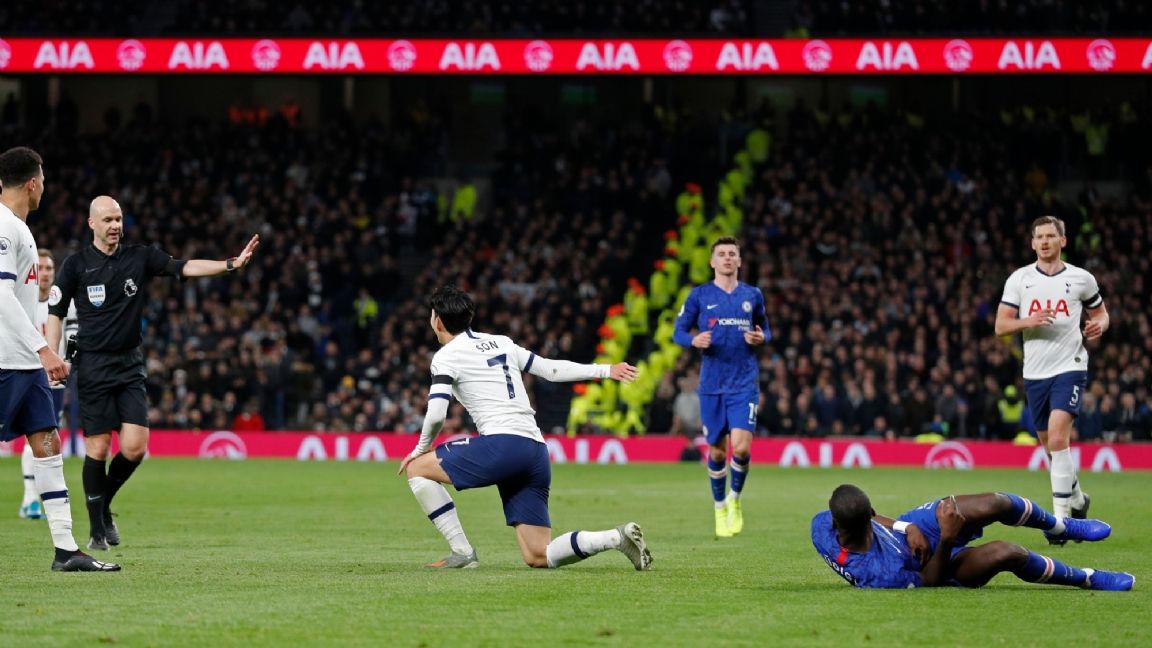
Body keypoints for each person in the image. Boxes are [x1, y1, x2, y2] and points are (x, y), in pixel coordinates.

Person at [46, 195, 259, 551]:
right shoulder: (76, 265)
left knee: (135, 447)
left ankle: (104, 505)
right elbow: (55, 312)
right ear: (92, 224)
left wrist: (230, 264)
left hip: (129, 364)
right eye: (108, 220)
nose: (115, 225)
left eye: (118, 219)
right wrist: (53, 357)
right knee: (98, 447)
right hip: (93, 364)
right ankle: (97, 531)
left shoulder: (139, 257)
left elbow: (184, 267)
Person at [397, 285, 653, 571]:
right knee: (538, 555)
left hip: (502, 446)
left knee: (417, 468)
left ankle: (462, 552)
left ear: (437, 321)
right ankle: (616, 538)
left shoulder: (446, 357)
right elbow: (550, 370)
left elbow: (436, 415)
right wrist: (605, 369)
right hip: (535, 451)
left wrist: (420, 449)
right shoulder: (502, 343)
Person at [0, 146, 119, 571]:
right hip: (6, 362)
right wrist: (44, 347)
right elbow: (1, 296)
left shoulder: (19, 228)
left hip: (24, 365)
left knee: (47, 444)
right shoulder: (5, 227)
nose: (44, 188)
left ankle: (66, 550)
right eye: (44, 181)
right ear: (33, 183)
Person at [994, 215, 1108, 543]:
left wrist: (1100, 325)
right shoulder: (1020, 279)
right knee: (1051, 448)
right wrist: (1028, 321)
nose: (1045, 242)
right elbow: (1001, 326)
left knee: (1058, 439)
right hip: (1035, 373)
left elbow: (1101, 313)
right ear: (1032, 244)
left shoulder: (1081, 278)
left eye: (1050, 236)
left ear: (1063, 241)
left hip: (1070, 367)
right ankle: (1078, 499)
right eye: (1039, 237)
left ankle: (1060, 523)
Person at [812, 484, 1133, 591]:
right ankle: (1087, 578)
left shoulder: (824, 524)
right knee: (1008, 553)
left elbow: (870, 516)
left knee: (995, 503)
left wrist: (906, 527)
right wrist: (947, 538)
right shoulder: (880, 575)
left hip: (916, 529)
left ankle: (1058, 526)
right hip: (937, 565)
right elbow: (930, 580)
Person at [672, 236, 769, 537]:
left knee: (741, 447)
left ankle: (735, 499)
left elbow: (765, 327)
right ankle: (719, 507)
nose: (727, 258)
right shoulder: (699, 295)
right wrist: (694, 340)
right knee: (716, 451)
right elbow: (678, 331)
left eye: (732, 254)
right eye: (722, 254)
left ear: (739, 261)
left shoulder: (752, 295)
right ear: (713, 261)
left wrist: (761, 337)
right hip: (712, 385)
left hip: (744, 383)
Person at [19, 248, 77, 520]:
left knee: (46, 436)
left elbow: (73, 335)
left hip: (56, 378)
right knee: (37, 433)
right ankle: (31, 498)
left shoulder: (65, 302)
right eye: (40, 268)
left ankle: (32, 498)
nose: (44, 273)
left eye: (49, 269)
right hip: (29, 374)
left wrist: (69, 362)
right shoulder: (23, 300)